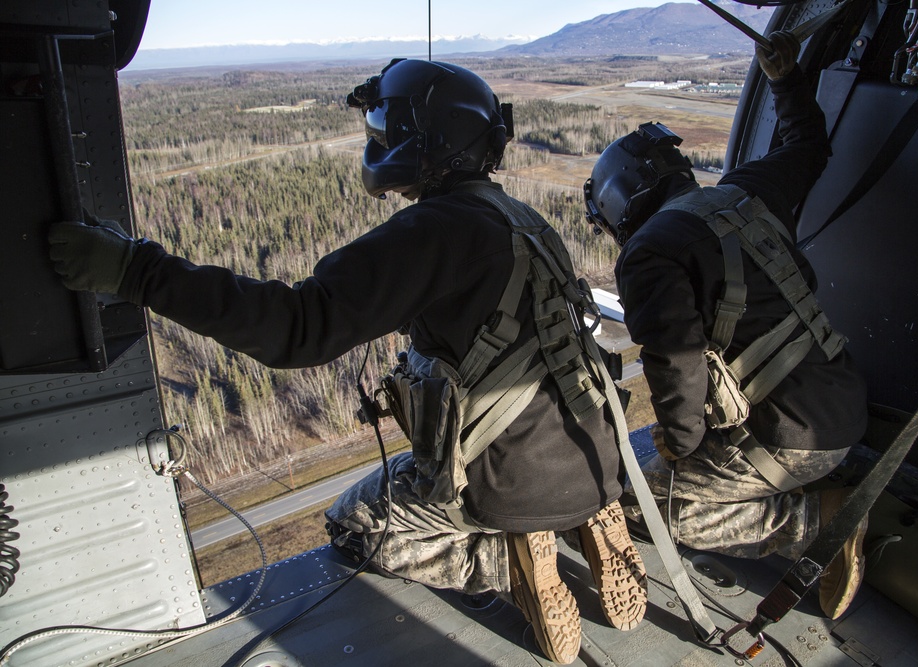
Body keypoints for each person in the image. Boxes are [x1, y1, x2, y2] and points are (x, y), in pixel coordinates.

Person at [48, 58, 646, 664]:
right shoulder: (527, 221)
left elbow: (298, 328)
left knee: (354, 523)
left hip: (512, 485)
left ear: (426, 140)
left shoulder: (432, 231)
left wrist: (137, 270)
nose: (379, 138)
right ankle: (586, 519)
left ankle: (508, 550)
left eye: (386, 125)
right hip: (597, 457)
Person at [582, 32, 869, 620]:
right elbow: (808, 144)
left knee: (643, 505)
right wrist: (786, 80)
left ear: (618, 210)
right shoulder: (747, 191)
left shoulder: (648, 253)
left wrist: (682, 447)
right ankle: (811, 486)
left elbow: (676, 362)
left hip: (795, 442)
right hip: (846, 405)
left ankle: (812, 522)